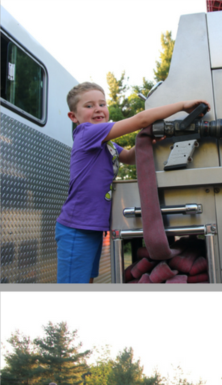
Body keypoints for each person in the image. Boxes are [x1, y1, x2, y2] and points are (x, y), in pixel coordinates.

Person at [56, 81, 209, 283]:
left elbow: (128, 157)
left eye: (102, 104)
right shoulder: (86, 133)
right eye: (89, 106)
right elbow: (140, 120)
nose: (98, 110)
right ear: (73, 117)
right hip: (77, 228)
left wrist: (148, 140)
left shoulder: (106, 144)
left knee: (87, 281)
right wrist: (181, 106)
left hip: (91, 228)